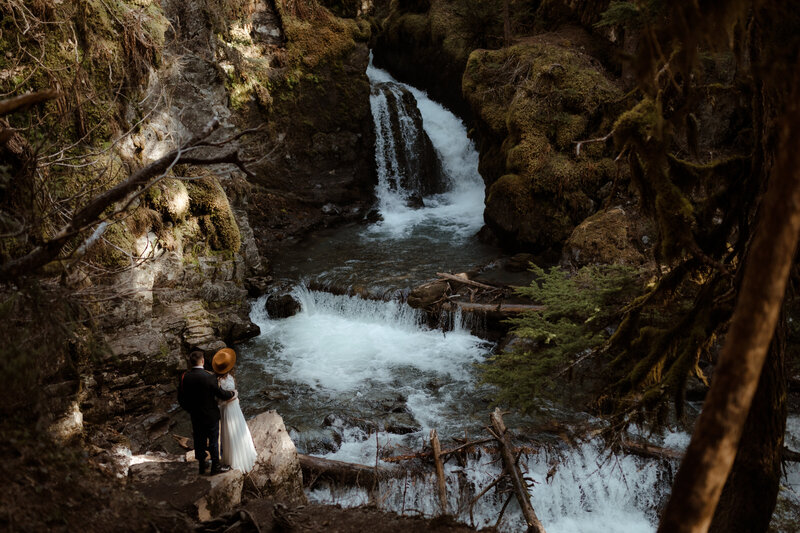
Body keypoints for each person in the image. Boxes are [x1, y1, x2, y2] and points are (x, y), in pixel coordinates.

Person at [180, 350, 235, 475]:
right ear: (203, 361)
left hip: (195, 415)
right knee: (213, 441)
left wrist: (190, 409)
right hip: (210, 415)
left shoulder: (185, 377)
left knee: (199, 440)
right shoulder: (209, 377)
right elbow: (220, 393)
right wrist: (232, 393)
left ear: (191, 362)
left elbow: (181, 398)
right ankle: (215, 466)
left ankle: (201, 465)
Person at [212, 348, 258, 473]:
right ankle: (237, 458)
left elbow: (220, 399)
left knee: (233, 430)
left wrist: (233, 396)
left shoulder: (220, 380)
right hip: (229, 408)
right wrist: (234, 395)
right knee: (233, 431)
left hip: (230, 408)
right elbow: (221, 400)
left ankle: (233, 457)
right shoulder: (222, 381)